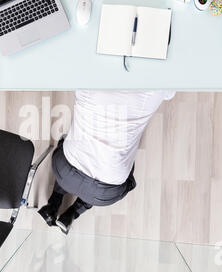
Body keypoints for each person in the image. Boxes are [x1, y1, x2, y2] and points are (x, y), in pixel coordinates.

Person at [38, 91, 175, 234]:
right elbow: (169, 92)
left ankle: (53, 205)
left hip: (67, 173)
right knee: (94, 169)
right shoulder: (154, 91)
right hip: (101, 191)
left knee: (71, 155)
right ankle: (72, 213)